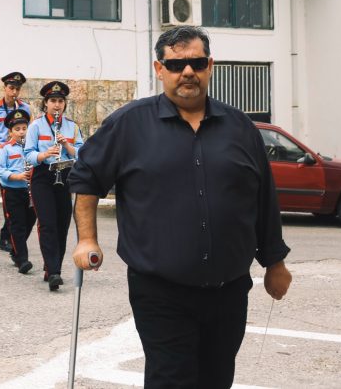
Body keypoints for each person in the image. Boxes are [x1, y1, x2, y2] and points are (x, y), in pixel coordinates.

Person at [68, 26, 292, 388]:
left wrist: (275, 263)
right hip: (161, 291)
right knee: (171, 379)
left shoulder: (241, 128)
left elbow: (263, 197)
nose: (187, 72)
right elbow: (86, 178)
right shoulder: (129, 125)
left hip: (229, 289)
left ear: (210, 66)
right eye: (176, 65)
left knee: (217, 379)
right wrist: (86, 240)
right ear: (160, 69)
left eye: (197, 62)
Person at [23, 80, 83, 291]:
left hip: (64, 175)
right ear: (45, 103)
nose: (57, 105)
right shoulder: (36, 126)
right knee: (47, 223)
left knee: (62, 224)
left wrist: (66, 145)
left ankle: (52, 267)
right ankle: (54, 270)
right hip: (43, 176)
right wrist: (44, 154)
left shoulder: (72, 126)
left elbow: (82, 153)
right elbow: (28, 153)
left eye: (60, 101)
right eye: (53, 101)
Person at [0, 71, 31, 253]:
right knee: (8, 200)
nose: (14, 92)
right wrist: (1, 146)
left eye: (17, 89)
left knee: (22, 202)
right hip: (5, 154)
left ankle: (11, 236)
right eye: (11, 88)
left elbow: (29, 132)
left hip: (22, 155)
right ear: (4, 88)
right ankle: (7, 238)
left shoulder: (25, 108)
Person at [0, 109, 35, 274]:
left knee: (29, 223)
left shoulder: (32, 147)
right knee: (17, 225)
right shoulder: (5, 149)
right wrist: (16, 176)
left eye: (24, 128)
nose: (21, 132)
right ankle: (22, 260)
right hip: (12, 191)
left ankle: (15, 250)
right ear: (10, 132)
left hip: (30, 191)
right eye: (17, 129)